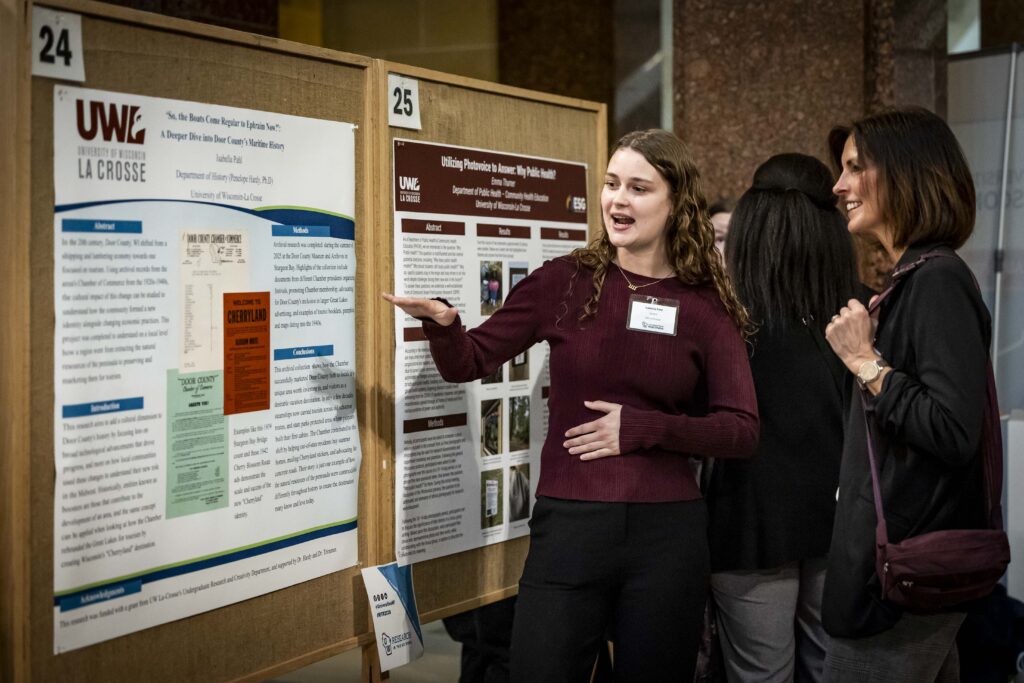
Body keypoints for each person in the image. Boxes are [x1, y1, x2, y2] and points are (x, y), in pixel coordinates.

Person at [384, 128, 758, 682]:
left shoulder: (703, 304)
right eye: (611, 185)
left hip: (667, 537)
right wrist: (445, 326)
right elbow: (470, 360)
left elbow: (742, 431)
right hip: (571, 528)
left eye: (638, 187)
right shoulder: (566, 281)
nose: (618, 201)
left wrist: (643, 428)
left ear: (675, 202)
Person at [822, 107, 992, 682]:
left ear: (903, 173)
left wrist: (865, 363)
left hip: (899, 581)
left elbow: (952, 429)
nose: (838, 186)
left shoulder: (936, 280)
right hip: (904, 575)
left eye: (854, 168)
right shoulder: (915, 279)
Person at [705, 153, 860, 683]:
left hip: (744, 524)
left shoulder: (722, 317)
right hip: (839, 523)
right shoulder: (859, 314)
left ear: (750, 228)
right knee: (828, 667)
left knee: (760, 674)